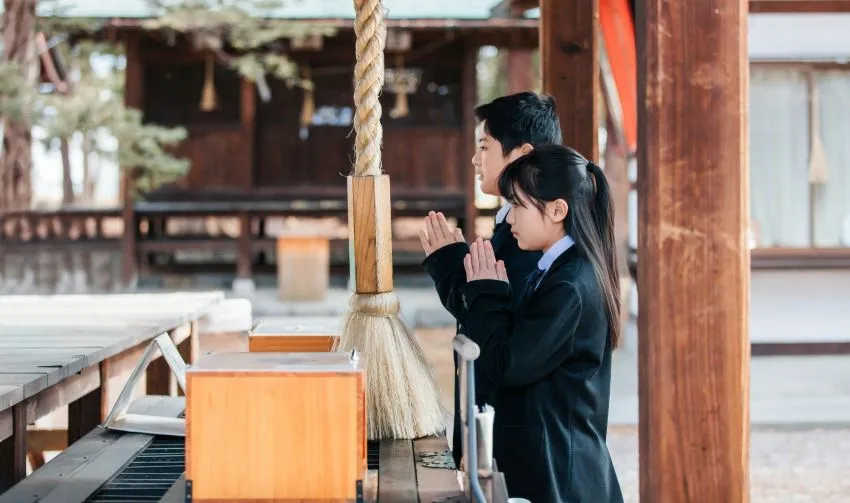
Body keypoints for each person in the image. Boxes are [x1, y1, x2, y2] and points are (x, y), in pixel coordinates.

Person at [461, 144, 624, 503]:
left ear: (556, 210)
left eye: (518, 205)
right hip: (556, 461)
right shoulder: (559, 270)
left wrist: (486, 293)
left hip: (562, 475)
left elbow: (509, 365)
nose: (510, 217)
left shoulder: (570, 285)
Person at [419, 91, 562, 468]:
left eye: (484, 146)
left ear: (521, 155)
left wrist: (453, 270)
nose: (475, 159)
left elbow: (499, 333)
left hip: (521, 442)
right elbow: (484, 312)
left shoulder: (534, 244)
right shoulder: (512, 230)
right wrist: (453, 270)